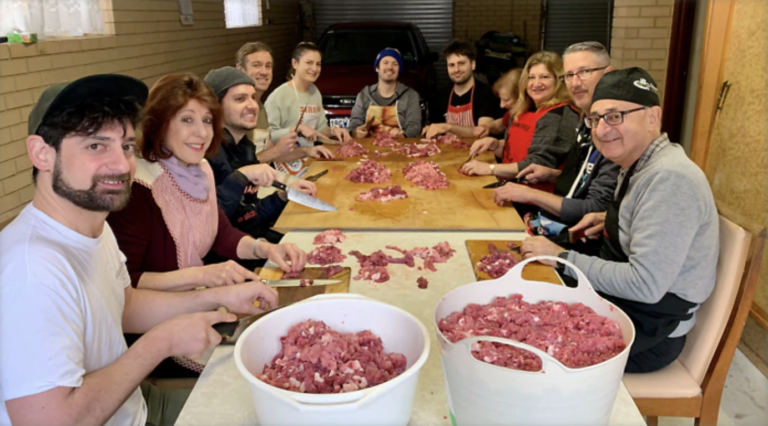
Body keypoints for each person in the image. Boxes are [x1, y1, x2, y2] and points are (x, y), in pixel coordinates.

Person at [0, 74, 279, 426]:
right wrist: (162, 342)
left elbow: (125, 305)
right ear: (42, 153)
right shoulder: (31, 269)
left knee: (271, 401)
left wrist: (218, 296)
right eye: (96, 146)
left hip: (133, 405)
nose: (122, 165)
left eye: (126, 146)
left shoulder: (94, 227)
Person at [520, 68, 719, 373]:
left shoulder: (670, 178)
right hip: (625, 306)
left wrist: (562, 257)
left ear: (652, 117)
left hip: (649, 329)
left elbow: (645, 285)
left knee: (528, 347)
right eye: (595, 119)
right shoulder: (637, 163)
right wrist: (614, 220)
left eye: (615, 116)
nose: (601, 130)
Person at [492, 42, 620, 235]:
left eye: (585, 72)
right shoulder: (584, 123)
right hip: (557, 223)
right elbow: (582, 181)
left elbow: (595, 207)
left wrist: (529, 193)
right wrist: (552, 174)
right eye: (569, 75)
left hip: (578, 235)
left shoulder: (612, 132)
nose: (575, 82)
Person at [204, 66, 316, 243]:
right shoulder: (206, 154)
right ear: (215, 107)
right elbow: (206, 222)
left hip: (249, 239)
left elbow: (248, 215)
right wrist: (241, 176)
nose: (252, 105)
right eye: (240, 99)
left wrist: (284, 195)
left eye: (253, 98)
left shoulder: (245, 148)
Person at [460, 51, 578, 191]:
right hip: (510, 190)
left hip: (535, 198)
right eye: (531, 77)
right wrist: (495, 145)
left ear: (559, 80)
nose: (536, 83)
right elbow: (516, 151)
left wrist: (490, 168)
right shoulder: (523, 109)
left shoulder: (559, 114)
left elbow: (538, 164)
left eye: (544, 77)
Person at [264, 41, 350, 177]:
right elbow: (269, 137)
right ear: (295, 63)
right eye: (309, 63)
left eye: (318, 64)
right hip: (281, 165)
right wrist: (298, 128)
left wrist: (334, 130)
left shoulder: (315, 92)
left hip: (308, 160)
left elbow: (320, 128)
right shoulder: (279, 96)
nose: (314, 69)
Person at [234, 41, 299, 163]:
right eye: (256, 65)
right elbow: (238, 166)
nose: (264, 72)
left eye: (268, 66)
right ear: (240, 69)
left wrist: (308, 151)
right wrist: (277, 150)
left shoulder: (261, 107)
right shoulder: (236, 110)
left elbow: (270, 153)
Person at [422, 41, 502, 140]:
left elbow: (482, 132)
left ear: (473, 65)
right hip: (447, 149)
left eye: (461, 63)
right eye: (451, 65)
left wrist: (448, 127)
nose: (456, 69)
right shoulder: (439, 96)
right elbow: (436, 130)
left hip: (477, 149)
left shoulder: (487, 93)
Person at [348, 48, 422, 138]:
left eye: (395, 64)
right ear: (377, 68)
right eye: (385, 63)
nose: (390, 67)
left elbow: (414, 126)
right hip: (367, 146)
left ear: (399, 69)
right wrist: (355, 132)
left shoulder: (410, 95)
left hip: (399, 146)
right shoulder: (364, 95)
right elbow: (354, 123)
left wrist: (403, 135)